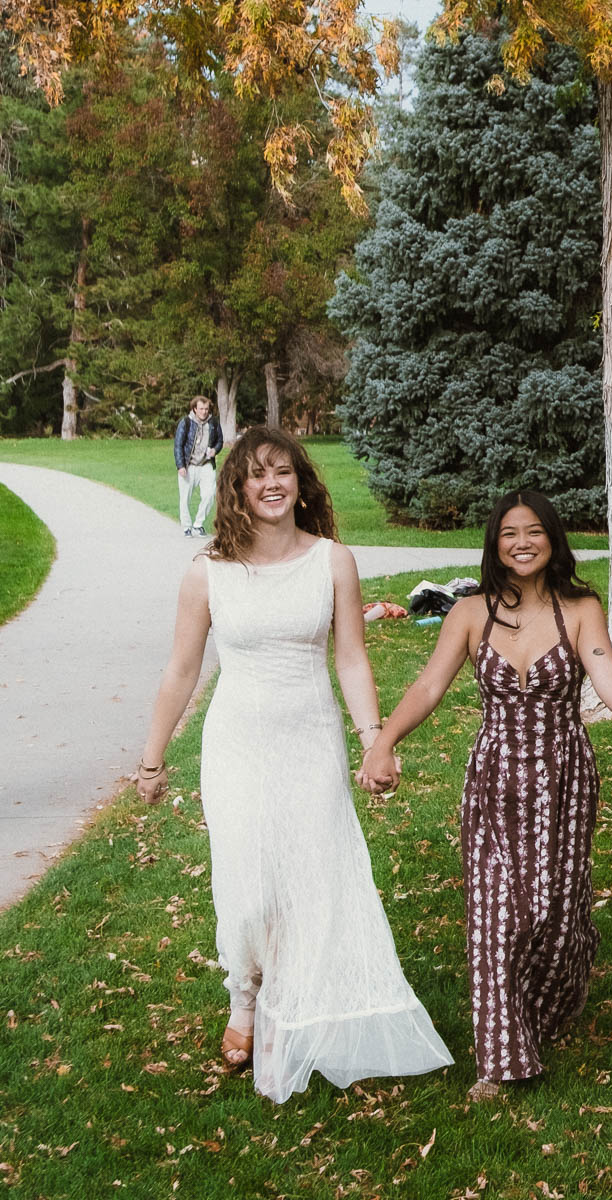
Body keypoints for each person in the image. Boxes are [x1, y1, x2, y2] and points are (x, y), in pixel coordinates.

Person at [134, 426, 453, 1103]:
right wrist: (152, 759)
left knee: (307, 877)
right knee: (248, 884)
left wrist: (374, 737)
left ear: (300, 483)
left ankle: (283, 1009)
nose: (271, 483)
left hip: (310, 740)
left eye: (283, 471)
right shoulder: (208, 572)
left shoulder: (332, 561)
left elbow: (351, 657)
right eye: (256, 474)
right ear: (237, 489)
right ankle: (242, 994)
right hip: (237, 746)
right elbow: (182, 668)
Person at [357, 491, 612, 1101]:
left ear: (552, 540)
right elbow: (430, 684)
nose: (522, 543)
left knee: (553, 910)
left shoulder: (580, 607)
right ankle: (500, 1059)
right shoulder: (469, 612)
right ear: (495, 545)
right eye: (508, 534)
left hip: (564, 777)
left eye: (534, 532)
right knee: (498, 914)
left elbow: (602, 666)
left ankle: (552, 998)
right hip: (494, 777)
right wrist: (383, 742)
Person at [174, 395, 223, 537]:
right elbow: (178, 445)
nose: (204, 412)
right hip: (189, 465)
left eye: (206, 409)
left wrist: (215, 450)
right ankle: (186, 527)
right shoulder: (186, 422)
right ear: (195, 409)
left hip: (206, 464)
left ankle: (198, 524)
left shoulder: (213, 422)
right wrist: (180, 466)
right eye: (201, 409)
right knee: (185, 497)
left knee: (209, 494)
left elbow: (219, 440)